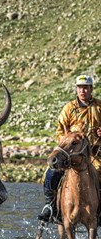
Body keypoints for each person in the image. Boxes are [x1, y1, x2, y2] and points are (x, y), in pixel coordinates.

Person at [39, 74, 101, 223]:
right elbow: (60, 130)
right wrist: (67, 142)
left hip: (93, 154)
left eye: (86, 88)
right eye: (80, 88)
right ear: (76, 90)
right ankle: (50, 205)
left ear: (91, 89)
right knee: (52, 172)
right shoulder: (68, 109)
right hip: (70, 154)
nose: (83, 91)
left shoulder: (99, 107)